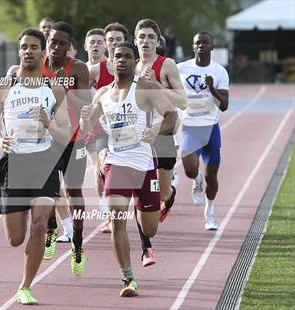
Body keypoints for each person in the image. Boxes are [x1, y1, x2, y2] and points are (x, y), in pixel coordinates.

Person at [81, 42, 176, 296]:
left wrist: (155, 130)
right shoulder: (101, 94)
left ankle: (151, 201)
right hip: (118, 164)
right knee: (118, 222)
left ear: (135, 62)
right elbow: (89, 128)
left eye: (126, 57)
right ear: (110, 62)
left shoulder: (146, 88)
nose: (121, 60)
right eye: (117, 56)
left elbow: (171, 116)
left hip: (144, 165)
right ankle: (128, 279)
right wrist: (87, 125)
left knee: (150, 228)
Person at [0, 28, 70, 305]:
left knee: (38, 225)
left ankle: (25, 286)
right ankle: (39, 233)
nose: (29, 51)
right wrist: (0, 139)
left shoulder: (55, 90)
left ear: (43, 53)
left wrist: (48, 123)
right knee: (15, 238)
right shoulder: (3, 86)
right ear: (19, 51)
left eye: (35, 46)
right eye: (24, 47)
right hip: (13, 162)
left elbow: (65, 134)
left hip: (44, 161)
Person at [134, 18, 187, 266]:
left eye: (150, 37)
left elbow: (182, 101)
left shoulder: (166, 65)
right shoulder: (130, 67)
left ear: (158, 41)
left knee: (162, 192)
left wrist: (157, 86)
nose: (145, 41)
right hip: (138, 141)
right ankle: (146, 248)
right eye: (141, 37)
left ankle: (171, 194)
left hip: (163, 136)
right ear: (135, 41)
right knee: (139, 194)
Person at [40, 21, 91, 276]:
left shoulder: (79, 69)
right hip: (47, 140)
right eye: (52, 42)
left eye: (62, 43)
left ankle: (78, 242)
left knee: (73, 191)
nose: (56, 47)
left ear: (70, 46)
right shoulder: (36, 68)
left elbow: (87, 103)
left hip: (73, 139)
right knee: (45, 190)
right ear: (46, 43)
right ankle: (51, 226)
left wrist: (64, 91)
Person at [177, 32, 229, 230]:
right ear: (193, 47)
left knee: (212, 177)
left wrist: (211, 89)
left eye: (205, 43)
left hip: (211, 129)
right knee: (190, 170)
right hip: (190, 126)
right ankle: (196, 180)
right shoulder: (181, 69)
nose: (201, 46)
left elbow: (224, 105)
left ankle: (210, 212)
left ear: (211, 46)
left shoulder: (219, 72)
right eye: (197, 43)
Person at [88, 22, 128, 233]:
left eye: (118, 40)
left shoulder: (136, 67)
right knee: (101, 167)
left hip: (129, 128)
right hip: (102, 128)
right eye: (110, 40)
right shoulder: (96, 70)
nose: (113, 44)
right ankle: (107, 214)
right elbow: (76, 92)